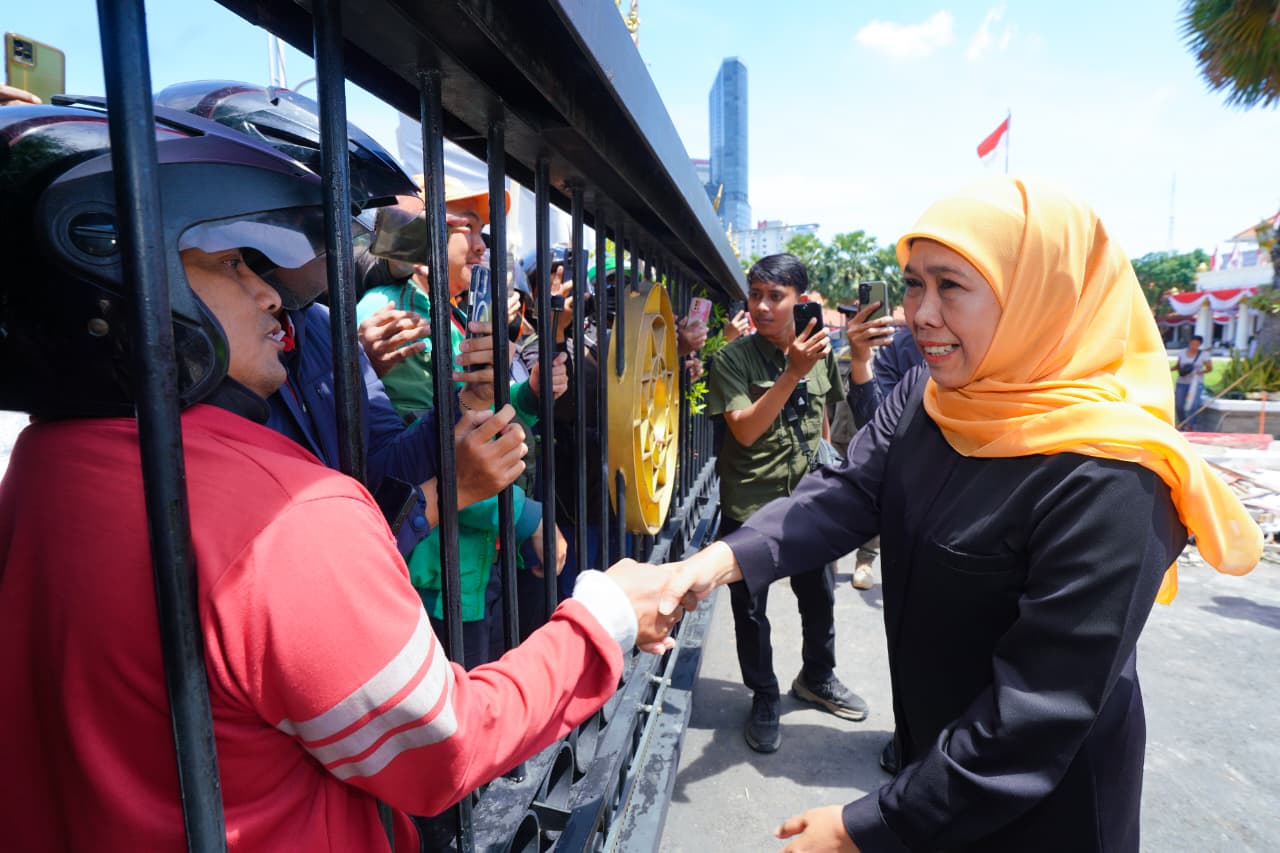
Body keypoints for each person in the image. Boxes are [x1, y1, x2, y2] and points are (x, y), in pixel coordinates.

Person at [0, 102, 680, 852]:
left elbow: (383, 452)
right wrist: (605, 619)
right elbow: (442, 745)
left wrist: (468, 399)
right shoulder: (287, 511)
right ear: (128, 272)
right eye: (234, 261)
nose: (267, 291)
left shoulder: (44, 461)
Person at [651, 177, 1261, 851]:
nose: (921, 313)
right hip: (933, 767)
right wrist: (718, 560)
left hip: (1041, 811)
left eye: (952, 286)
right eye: (914, 283)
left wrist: (863, 827)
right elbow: (849, 492)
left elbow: (1036, 715)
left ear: (1038, 296)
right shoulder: (928, 396)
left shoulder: (1115, 475)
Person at [706, 252, 869, 755]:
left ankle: (817, 676)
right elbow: (747, 429)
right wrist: (791, 374)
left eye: (774, 296)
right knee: (750, 611)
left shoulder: (819, 351)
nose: (761, 306)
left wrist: (824, 469)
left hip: (807, 500)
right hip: (751, 504)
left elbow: (826, 416)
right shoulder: (731, 359)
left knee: (819, 596)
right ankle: (763, 693)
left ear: (801, 300)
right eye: (755, 295)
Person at [1175, 334, 1212, 430]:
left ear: (1200, 345)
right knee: (1179, 405)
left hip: (1195, 383)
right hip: (1182, 382)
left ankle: (1190, 425)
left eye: (1196, 344)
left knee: (1193, 406)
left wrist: (1200, 372)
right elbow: (1178, 366)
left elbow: (1209, 368)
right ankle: (1182, 423)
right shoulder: (1182, 353)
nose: (1194, 346)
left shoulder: (1204, 355)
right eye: (1192, 344)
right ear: (1189, 343)